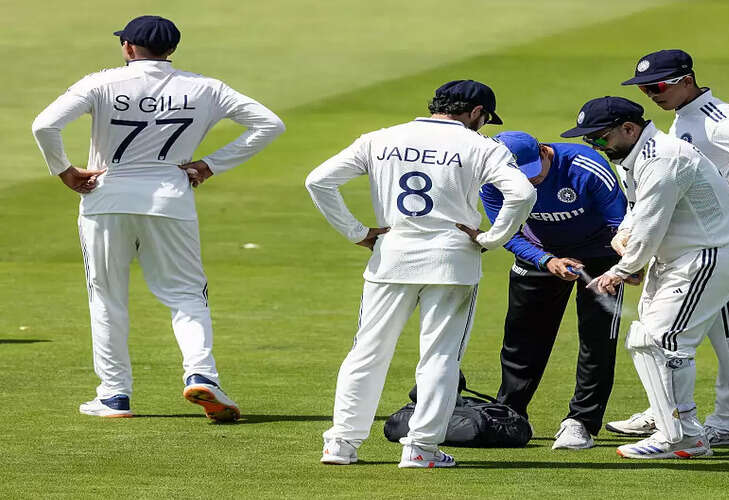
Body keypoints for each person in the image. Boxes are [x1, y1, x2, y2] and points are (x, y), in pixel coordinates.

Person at [31, 15, 285, 421]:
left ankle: (114, 396)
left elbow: (45, 125)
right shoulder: (206, 88)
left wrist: (64, 170)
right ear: (172, 50)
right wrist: (212, 164)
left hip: (105, 198)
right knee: (186, 296)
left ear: (128, 47)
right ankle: (202, 373)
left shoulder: (101, 82)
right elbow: (269, 124)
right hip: (171, 200)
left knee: (107, 297)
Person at [305, 80, 536, 468]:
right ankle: (421, 448)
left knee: (367, 351)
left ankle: (341, 444)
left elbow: (318, 180)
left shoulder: (380, 139)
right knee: (440, 358)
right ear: (477, 113)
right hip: (452, 261)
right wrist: (494, 238)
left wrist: (356, 232)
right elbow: (523, 194)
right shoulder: (482, 146)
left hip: (391, 257)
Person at [606, 49, 729, 446]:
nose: (650, 94)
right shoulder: (684, 117)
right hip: (700, 235)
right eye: (644, 88)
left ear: (685, 81)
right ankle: (665, 410)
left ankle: (728, 421)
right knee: (666, 322)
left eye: (657, 86)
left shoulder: (718, 120)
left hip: (725, 234)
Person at [561, 96, 729, 459]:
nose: (595, 147)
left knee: (664, 340)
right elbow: (637, 209)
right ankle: (675, 429)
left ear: (628, 129)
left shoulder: (663, 158)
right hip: (679, 257)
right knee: (647, 341)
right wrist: (622, 235)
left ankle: (683, 436)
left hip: (707, 255)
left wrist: (621, 270)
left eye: (599, 138)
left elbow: (652, 222)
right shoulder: (635, 156)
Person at [478, 131, 627, 450]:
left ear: (545, 152)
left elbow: (621, 222)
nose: (530, 185)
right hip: (539, 252)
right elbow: (505, 233)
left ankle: (581, 423)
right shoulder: (491, 179)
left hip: (601, 252)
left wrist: (625, 266)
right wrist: (547, 260)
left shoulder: (587, 167)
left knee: (597, 338)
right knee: (521, 339)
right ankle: (510, 414)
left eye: (534, 175)